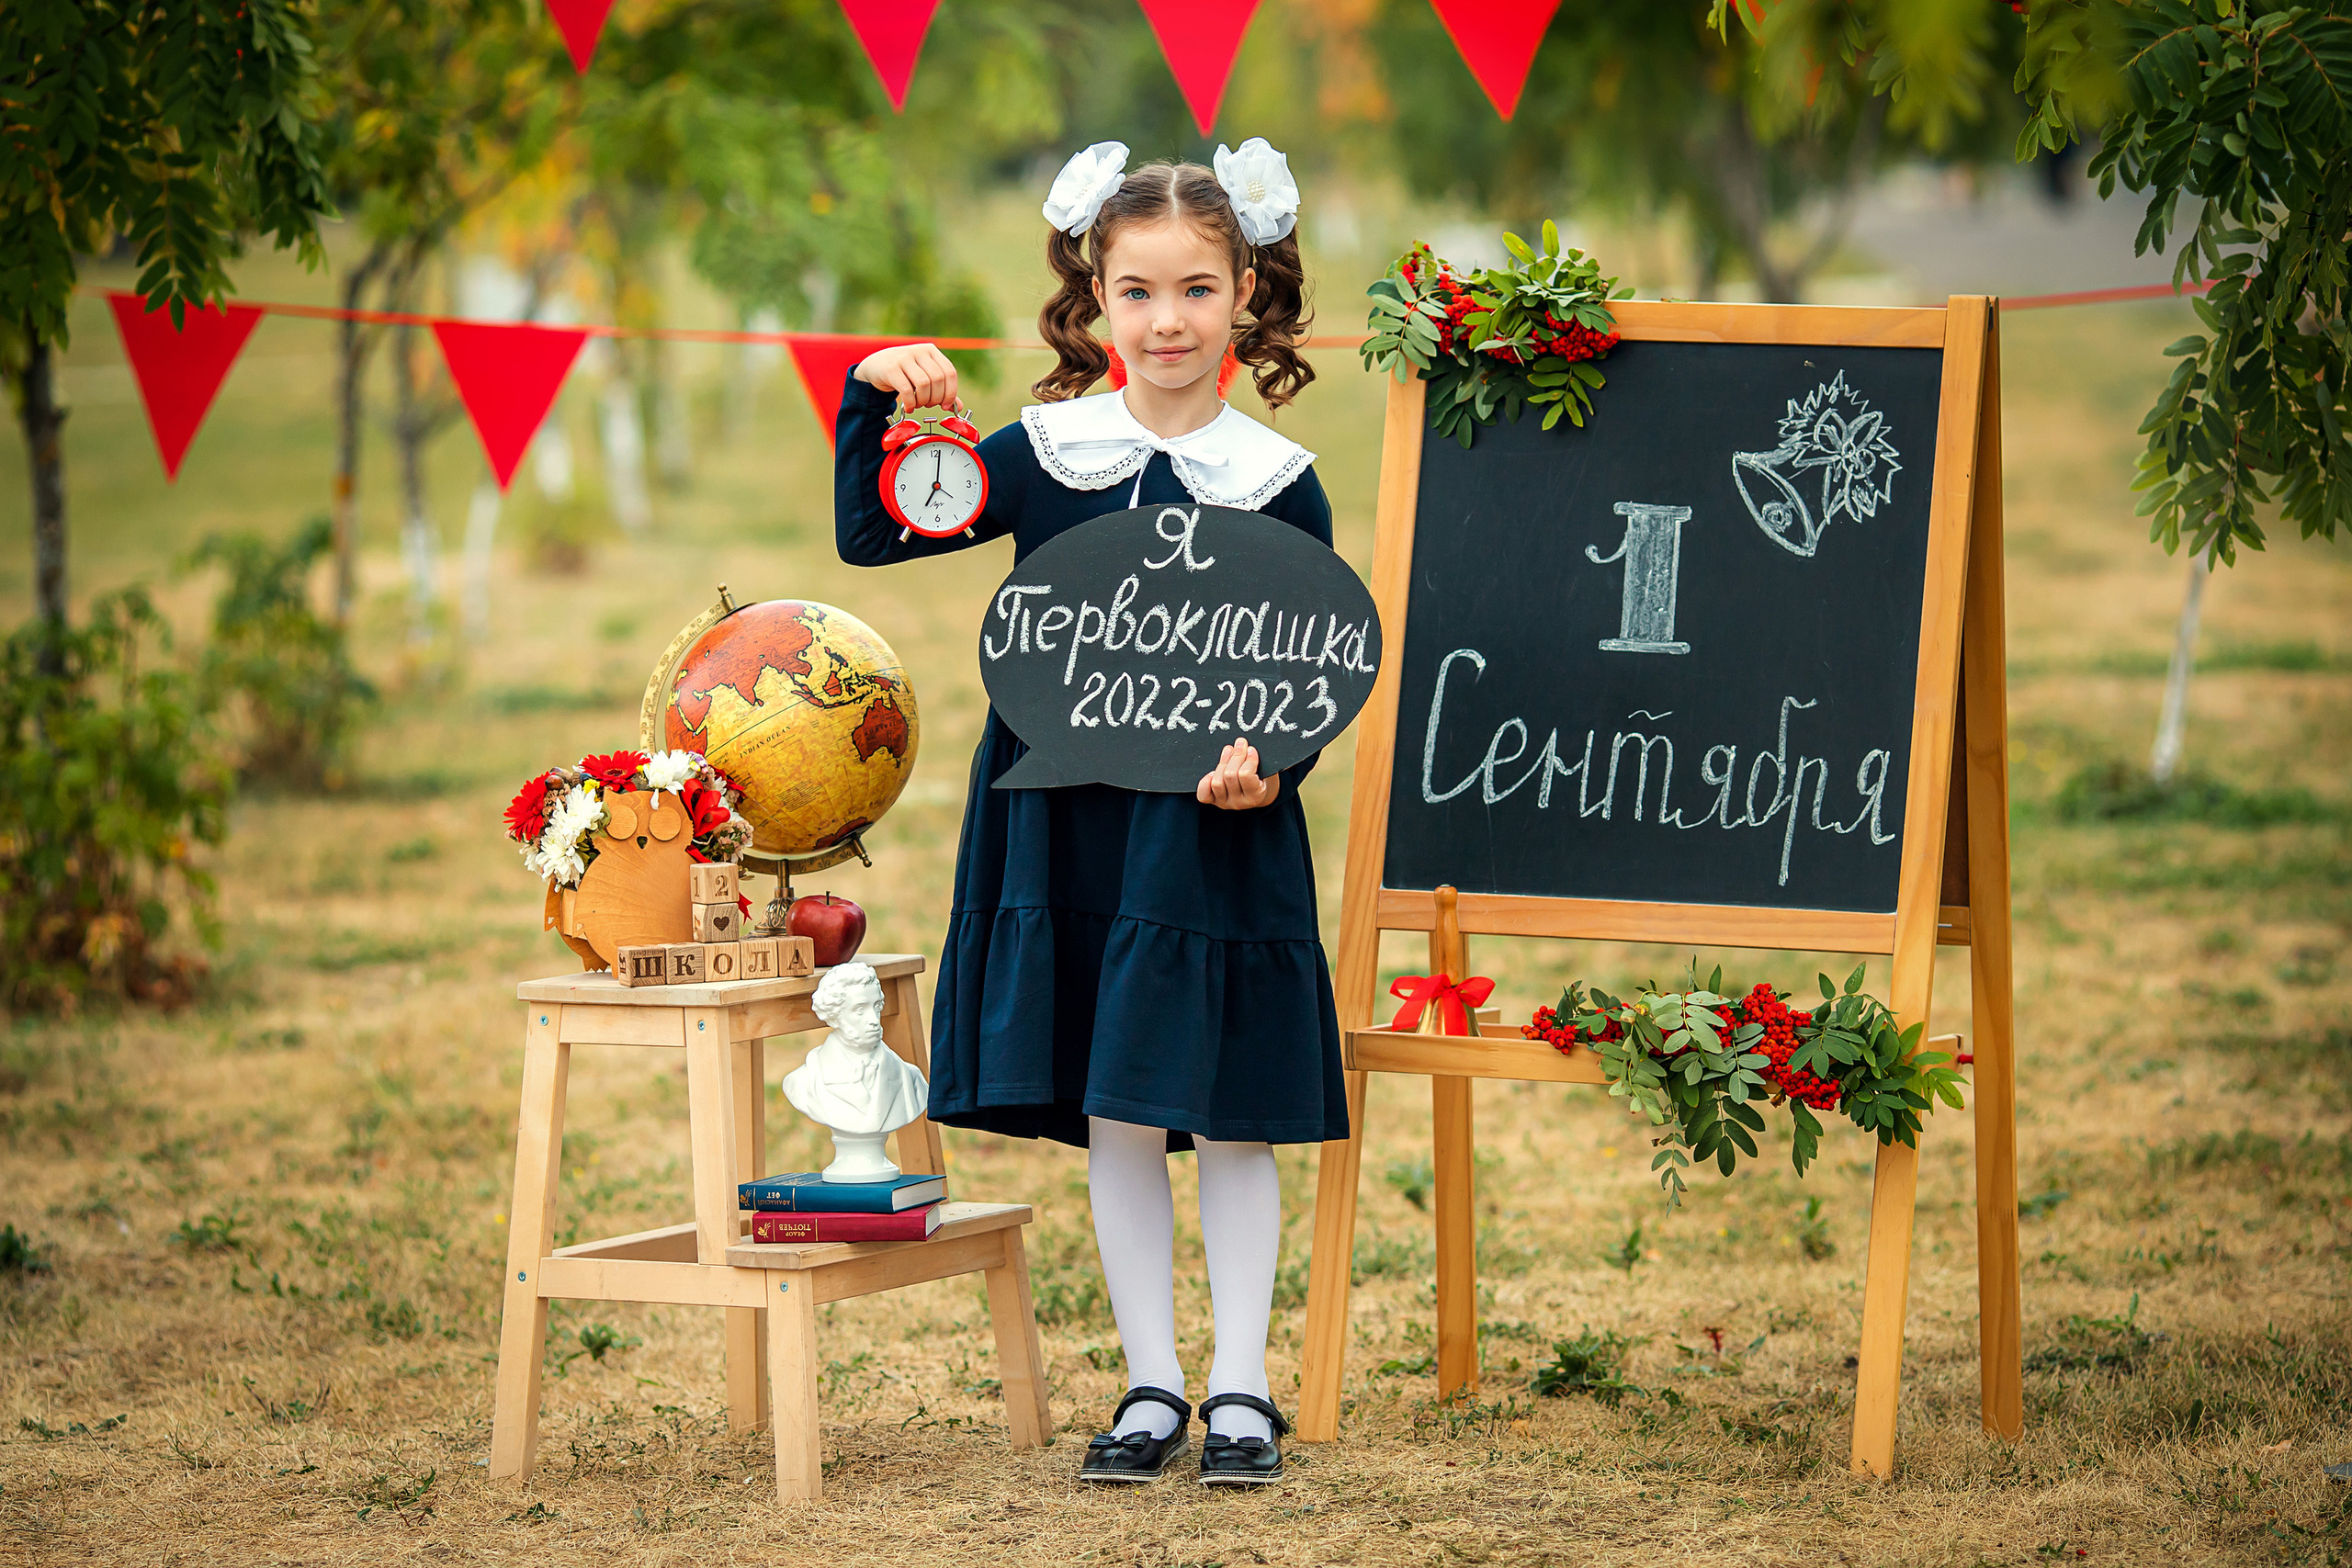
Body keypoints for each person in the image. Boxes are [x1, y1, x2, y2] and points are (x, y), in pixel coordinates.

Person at [832, 139, 1341, 1487]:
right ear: (1092, 299)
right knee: (1120, 1102)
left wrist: (1270, 765)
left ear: (1248, 295)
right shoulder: (1047, 453)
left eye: (1194, 289)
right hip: (1073, 826)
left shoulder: (1278, 480)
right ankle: (1153, 1387)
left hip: (1215, 830)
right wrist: (873, 393)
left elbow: (1314, 669)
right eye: (1135, 292)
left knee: (1231, 1107)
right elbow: (877, 534)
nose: (1165, 321)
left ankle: (1242, 1388)